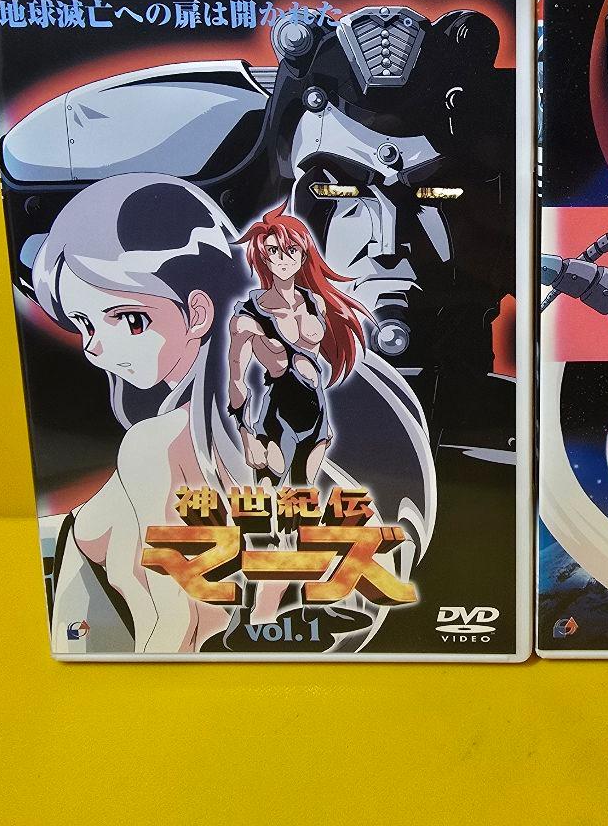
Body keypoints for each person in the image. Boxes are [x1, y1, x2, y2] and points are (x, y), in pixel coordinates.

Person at [33, 173, 250, 653]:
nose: (93, 347)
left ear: (198, 312)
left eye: (128, 319)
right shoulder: (191, 421)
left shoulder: (162, 442)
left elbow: (179, 625)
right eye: (83, 323)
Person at [228, 205, 368, 488]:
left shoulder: (315, 304)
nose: (283, 259)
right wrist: (246, 435)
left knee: (304, 498)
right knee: (267, 497)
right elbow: (236, 379)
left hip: (317, 417)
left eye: (291, 250)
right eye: (274, 251)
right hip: (278, 417)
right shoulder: (248, 317)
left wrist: (325, 422)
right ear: (263, 257)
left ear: (303, 255)